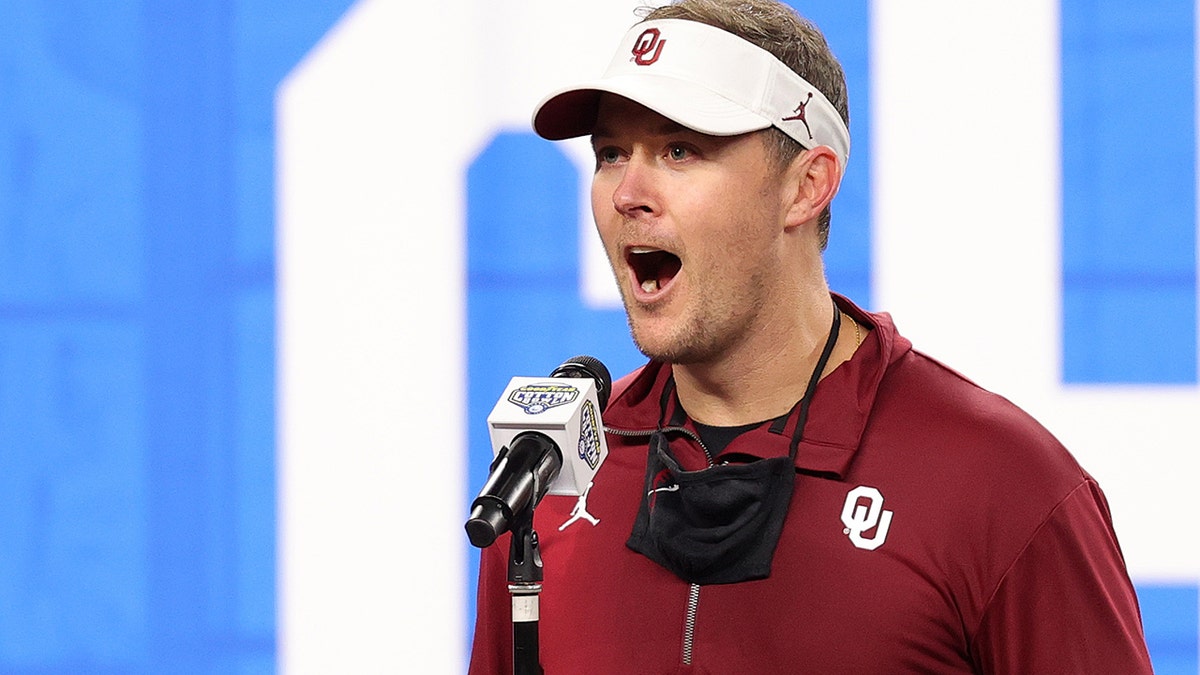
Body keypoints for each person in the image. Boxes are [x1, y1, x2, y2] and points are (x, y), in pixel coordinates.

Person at [468, 1, 1154, 672]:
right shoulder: (550, 484)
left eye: (681, 150)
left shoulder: (1001, 485)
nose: (627, 193)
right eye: (613, 153)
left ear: (807, 186)